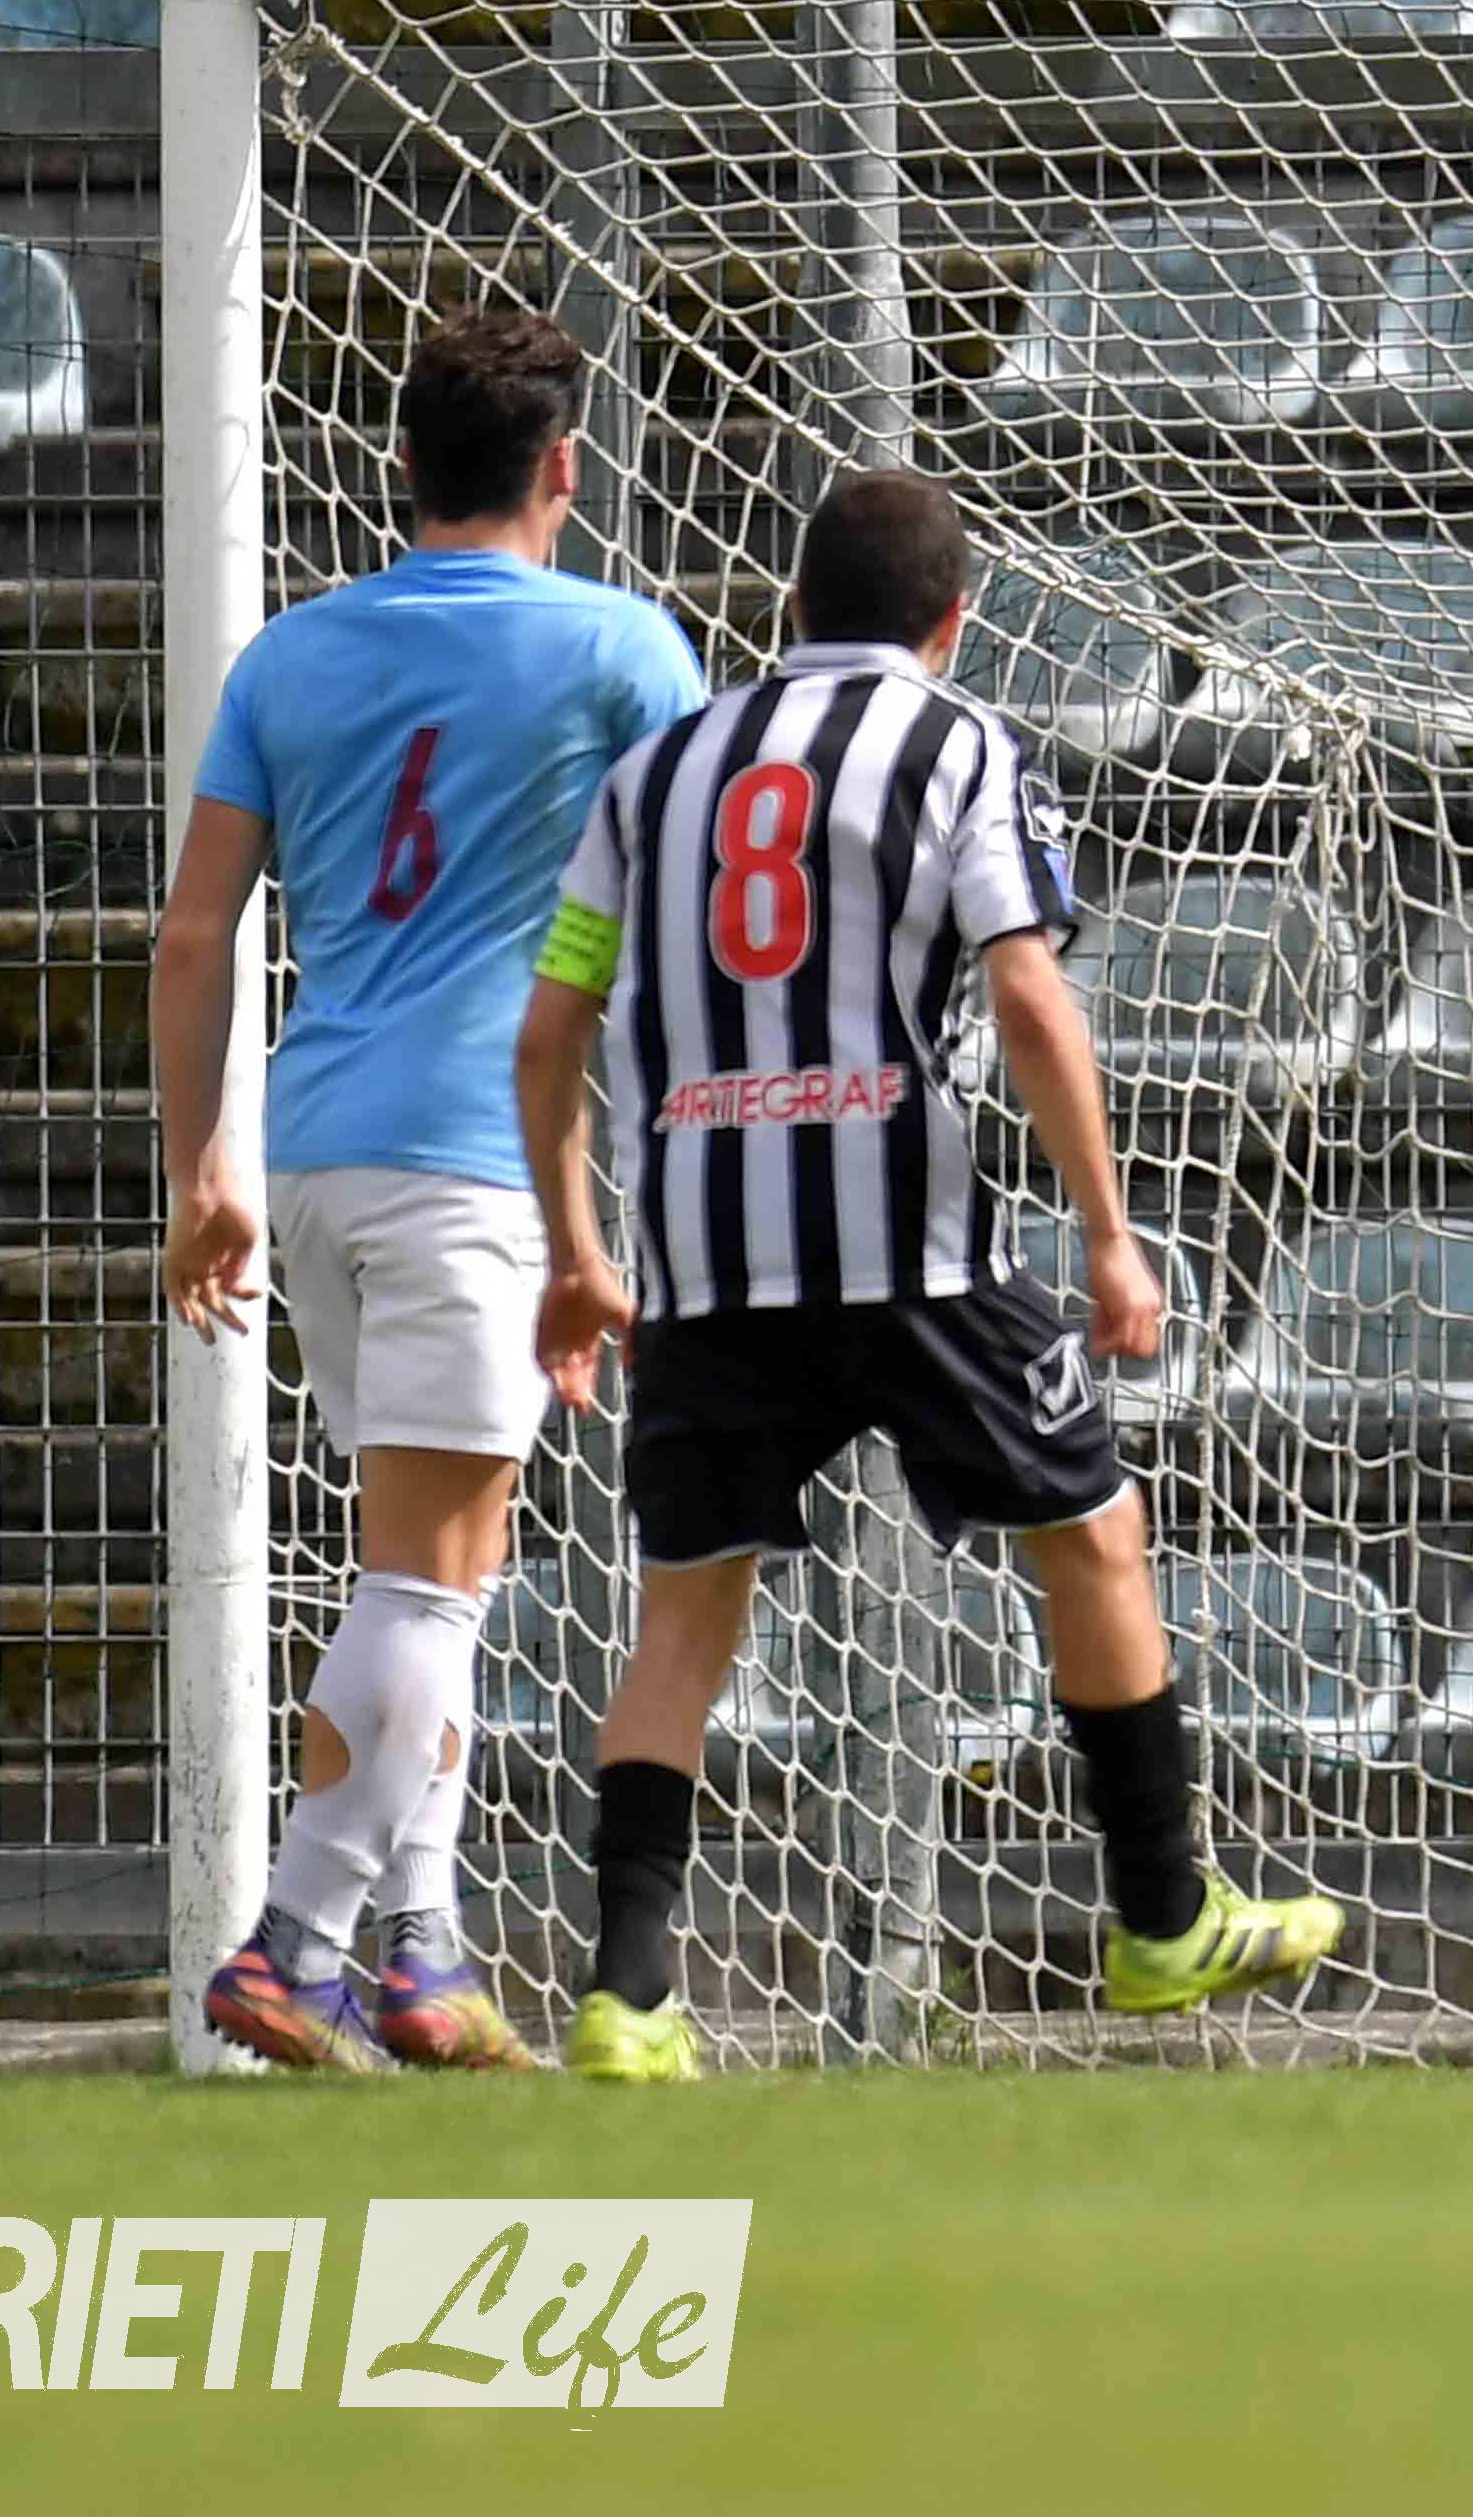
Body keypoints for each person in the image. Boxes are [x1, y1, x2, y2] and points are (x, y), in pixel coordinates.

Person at [514, 466, 1340, 2083]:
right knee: (1091, 1531)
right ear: (951, 621)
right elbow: (1027, 995)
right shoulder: (958, 743)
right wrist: (1108, 1229)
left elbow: (553, 1030)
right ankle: (1161, 1914)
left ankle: (625, 1997)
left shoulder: (653, 773)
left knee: (684, 1620)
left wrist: (577, 1254)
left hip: (703, 1254)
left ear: (791, 607)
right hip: (905, 1241)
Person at [159, 307, 709, 2073]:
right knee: (432, 1585)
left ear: (402, 467)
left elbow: (195, 933)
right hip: (477, 1163)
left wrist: (201, 1168)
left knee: (428, 1564)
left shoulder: (290, 654)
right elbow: (693, 921)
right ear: (566, 468)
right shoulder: (625, 647)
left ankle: (427, 1952)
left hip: (315, 1156)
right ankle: (294, 1947)